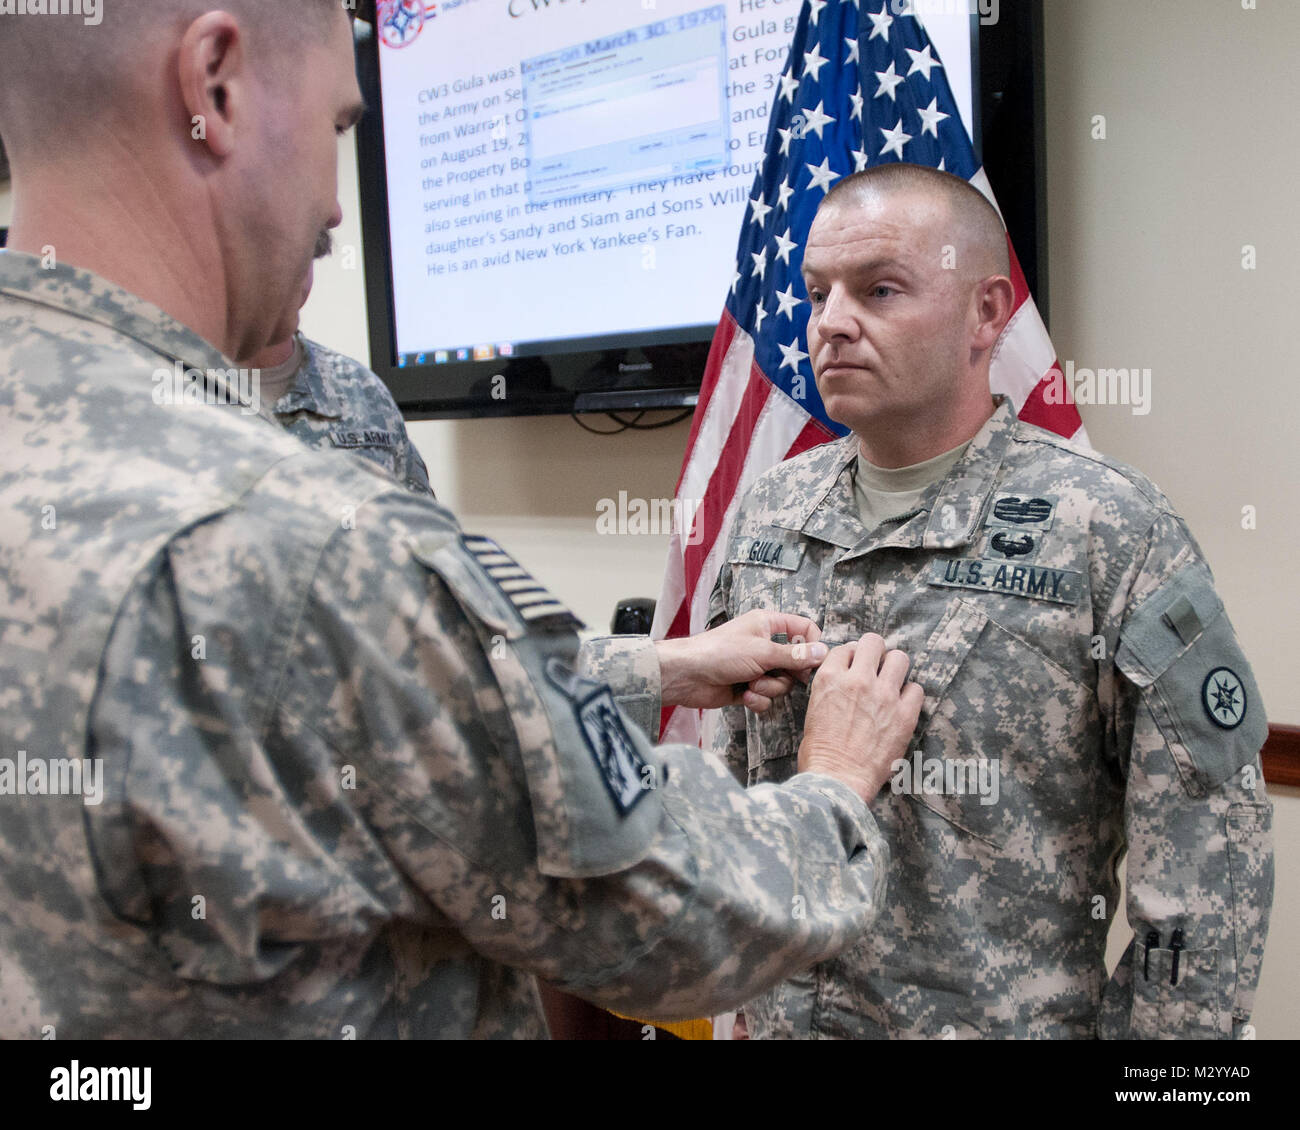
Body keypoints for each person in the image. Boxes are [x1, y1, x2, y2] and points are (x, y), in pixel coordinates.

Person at [0, 1, 926, 1038]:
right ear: (214, 84)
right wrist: (835, 782)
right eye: (339, 130)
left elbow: (403, 705)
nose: (335, 211)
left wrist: (660, 666)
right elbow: (665, 921)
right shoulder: (312, 542)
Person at [709, 163, 1274, 1039]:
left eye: (881, 289)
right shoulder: (770, 511)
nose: (831, 324)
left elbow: (1211, 879)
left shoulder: (1107, 526)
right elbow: (732, 780)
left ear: (986, 312)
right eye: (818, 293)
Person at [244, 253, 434, 496]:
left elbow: (416, 524)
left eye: (305, 253)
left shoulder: (363, 392)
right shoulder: (187, 389)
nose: (291, 273)